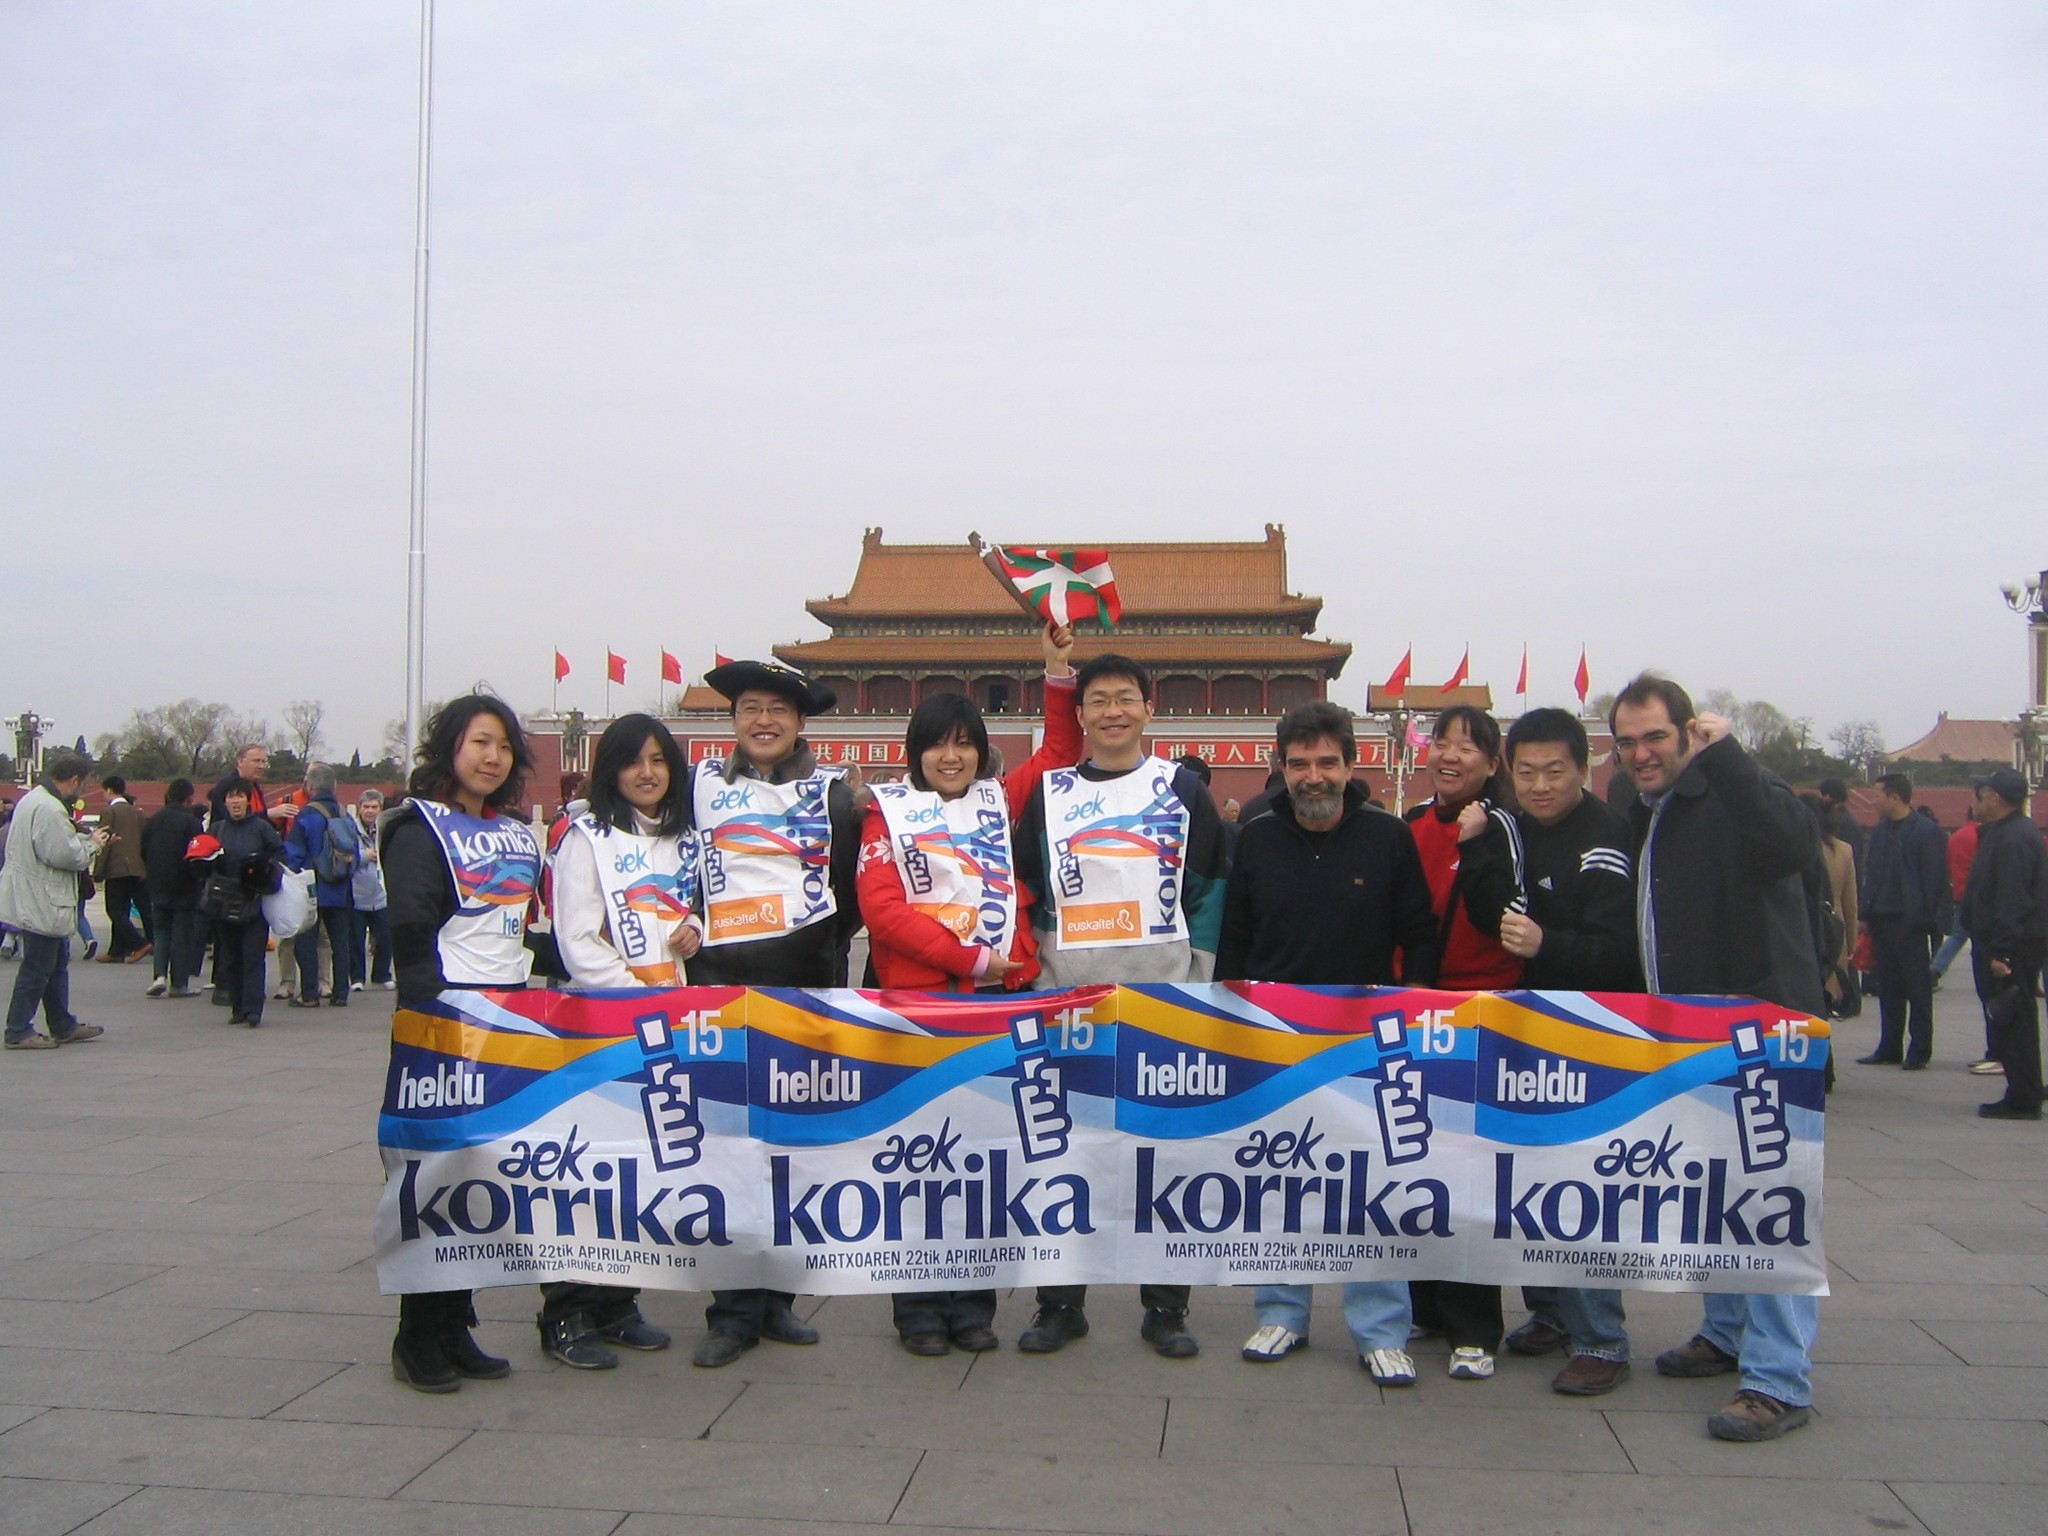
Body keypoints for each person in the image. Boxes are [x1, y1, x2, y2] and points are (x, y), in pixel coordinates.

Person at [857, 620, 1081, 1355]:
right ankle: (918, 1311)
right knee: (918, 1162)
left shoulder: (997, 801)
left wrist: (1054, 672)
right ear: (915, 753)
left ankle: (973, 1306)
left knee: (983, 1158)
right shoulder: (884, 816)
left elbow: (1056, 753)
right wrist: (971, 962)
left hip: (991, 1014)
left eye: (963, 742)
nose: (949, 756)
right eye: (936, 743)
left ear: (979, 751)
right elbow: (883, 913)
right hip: (920, 1011)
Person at [1610, 674, 1823, 1443]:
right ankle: (1726, 1330)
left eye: (1655, 738)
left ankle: (1778, 1380)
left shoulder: (1732, 792)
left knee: (1771, 1205)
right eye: (1627, 741)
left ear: (1688, 735)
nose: (1640, 754)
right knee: (1714, 1197)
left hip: (1760, 1034)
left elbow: (1796, 846)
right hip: (1690, 1040)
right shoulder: (1647, 813)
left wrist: (1731, 756)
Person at [1216, 700, 1438, 1387]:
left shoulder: (1386, 838)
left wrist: (1414, 1021)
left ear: (1351, 765)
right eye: (1301, 763)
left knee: (1376, 1189)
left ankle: (1380, 1328)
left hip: (1369, 1045)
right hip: (1280, 1041)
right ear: (1281, 768)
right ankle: (1283, 1310)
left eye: (1327, 762)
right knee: (1282, 1181)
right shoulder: (1255, 838)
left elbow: (1420, 939)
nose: (1314, 776)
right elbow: (1236, 944)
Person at [1011, 652, 1227, 1359]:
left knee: (1163, 1160)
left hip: (1162, 1000)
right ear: (1081, 714)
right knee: (1061, 1158)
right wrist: (1041, 980)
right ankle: (1059, 1304)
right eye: (1097, 698)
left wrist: (1197, 980)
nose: (1111, 710)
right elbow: (1027, 889)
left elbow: (1211, 889)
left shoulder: (1181, 788)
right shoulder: (1050, 794)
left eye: (1124, 697)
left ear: (1147, 708)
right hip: (1069, 1005)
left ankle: (1165, 1306)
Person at [685, 657, 864, 1368]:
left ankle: (780, 1300)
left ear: (799, 723)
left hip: (803, 991)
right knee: (727, 1155)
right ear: (732, 721)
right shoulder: (697, 789)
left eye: (778, 710)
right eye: (750, 708)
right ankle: (731, 1310)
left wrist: (810, 942)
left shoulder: (831, 798)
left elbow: (849, 894)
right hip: (719, 992)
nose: (763, 721)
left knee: (793, 1155)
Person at [383, 693, 541, 1393]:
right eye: (480, 741)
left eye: (504, 747)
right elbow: (411, 932)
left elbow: (513, 931)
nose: (492, 757)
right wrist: (434, 1026)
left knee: (481, 1180)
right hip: (444, 1030)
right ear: (450, 747)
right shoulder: (420, 831)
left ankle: (457, 1324)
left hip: (503, 1027)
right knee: (434, 1182)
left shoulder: (511, 833)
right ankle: (418, 1335)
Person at [541, 714, 702, 1368]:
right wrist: (638, 1000)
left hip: (667, 1030)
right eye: (634, 761)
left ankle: (619, 1300)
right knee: (590, 1172)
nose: (648, 772)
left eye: (659, 759)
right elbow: (578, 940)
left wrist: (693, 929)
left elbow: (682, 914)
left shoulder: (681, 838)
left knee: (645, 1174)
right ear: (612, 770)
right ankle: (567, 1311)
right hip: (605, 1026)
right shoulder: (587, 837)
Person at [1490, 708, 1642, 1394]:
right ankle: (1548, 1310)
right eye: (1526, 773)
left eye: (1555, 771)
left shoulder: (1607, 840)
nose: (1541, 785)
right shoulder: (1514, 829)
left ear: (1585, 767)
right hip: (1528, 1030)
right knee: (1527, 1184)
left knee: (1579, 1193)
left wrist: (1547, 945)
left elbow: (1620, 955)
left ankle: (1601, 1340)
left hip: (1592, 1036)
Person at [1403, 705, 1524, 1381]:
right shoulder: (1415, 825)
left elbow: (1495, 914)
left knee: (1470, 1176)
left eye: (1467, 746)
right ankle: (1426, 1304)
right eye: (1440, 742)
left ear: (1491, 761)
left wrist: (1477, 843)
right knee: (1417, 1165)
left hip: (1481, 1013)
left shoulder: (1505, 828)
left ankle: (1475, 1324)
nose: (1449, 755)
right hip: (1417, 1009)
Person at [0, 751, 110, 1050]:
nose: (84, 790)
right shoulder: (50, 809)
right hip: (42, 898)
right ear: (74, 780)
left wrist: (84, 840)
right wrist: (93, 846)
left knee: (54, 962)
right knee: (38, 967)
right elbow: (63, 855)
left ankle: (62, 1024)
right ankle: (18, 1029)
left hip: (34, 894)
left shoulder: (33, 800)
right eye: (84, 784)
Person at [1964, 768, 2048, 1120]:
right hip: (2011, 939)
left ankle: (2024, 1096)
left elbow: (2012, 898)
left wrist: (2001, 951)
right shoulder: (2008, 833)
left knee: (2014, 1019)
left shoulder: (2013, 838)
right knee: (2013, 1018)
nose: (1977, 803)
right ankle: (2023, 1088)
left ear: (1995, 798)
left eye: (1981, 796)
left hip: (2012, 944)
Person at [1854, 774, 1947, 1068]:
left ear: (1895, 797)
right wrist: (1865, 913)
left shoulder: (1926, 831)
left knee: (1917, 988)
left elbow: (1934, 880)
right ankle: (1889, 1046)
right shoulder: (1881, 831)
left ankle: (1919, 1048)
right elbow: (1872, 872)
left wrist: (1924, 918)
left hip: (1910, 922)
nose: (1873, 799)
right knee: (1888, 987)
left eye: (1877, 794)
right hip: (1882, 919)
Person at [208, 777, 284, 1028]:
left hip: (253, 900)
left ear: (248, 800)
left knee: (253, 956)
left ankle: (253, 1009)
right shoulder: (217, 829)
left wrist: (262, 868)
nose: (235, 801)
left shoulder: (261, 827)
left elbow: (279, 854)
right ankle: (237, 1007)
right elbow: (205, 861)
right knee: (230, 957)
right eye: (231, 797)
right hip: (225, 900)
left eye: (240, 796)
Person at [281, 764, 356, 1009]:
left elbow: (294, 851)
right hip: (341, 887)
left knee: (306, 939)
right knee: (340, 942)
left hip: (313, 886)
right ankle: (341, 992)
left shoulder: (307, 814)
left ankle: (309, 993)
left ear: (310, 787)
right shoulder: (344, 814)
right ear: (334, 787)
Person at [1797, 792, 1859, 1019]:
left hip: (1806, 931)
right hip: (1834, 931)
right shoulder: (1844, 849)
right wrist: (1851, 942)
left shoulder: (1801, 848)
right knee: (1828, 1000)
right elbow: (1850, 902)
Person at [141, 779, 205, 998]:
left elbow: (143, 850)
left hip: (157, 884)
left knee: (160, 931)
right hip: (184, 886)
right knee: (181, 934)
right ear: (189, 799)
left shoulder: (153, 821)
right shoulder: (191, 823)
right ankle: (179, 983)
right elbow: (197, 855)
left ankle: (159, 975)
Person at [94, 775, 151, 963]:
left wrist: (98, 871)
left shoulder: (110, 812)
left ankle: (138, 943)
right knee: (126, 908)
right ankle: (117, 950)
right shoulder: (137, 813)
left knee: (115, 910)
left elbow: (104, 842)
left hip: (116, 867)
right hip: (137, 867)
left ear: (109, 790)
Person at [348, 790, 393, 992]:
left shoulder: (386, 829)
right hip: (357, 894)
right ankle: (357, 978)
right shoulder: (350, 830)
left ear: (380, 809)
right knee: (356, 940)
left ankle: (382, 974)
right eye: (366, 807)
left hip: (381, 894)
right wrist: (363, 855)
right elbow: (345, 857)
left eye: (374, 807)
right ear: (359, 807)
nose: (370, 811)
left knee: (385, 937)